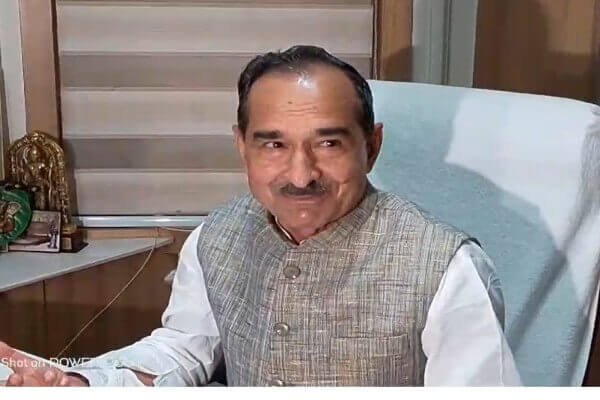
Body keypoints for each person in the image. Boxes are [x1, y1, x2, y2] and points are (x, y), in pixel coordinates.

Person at [0, 45, 521, 387]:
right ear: (242, 147)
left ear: (372, 146)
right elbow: (184, 350)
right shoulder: (217, 236)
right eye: (273, 144)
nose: (301, 174)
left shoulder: (447, 268)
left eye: (329, 143)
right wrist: (84, 382)